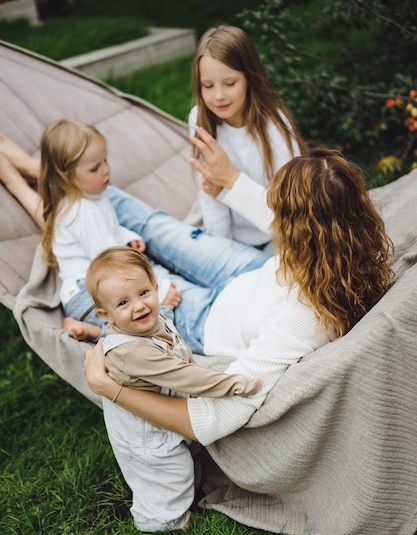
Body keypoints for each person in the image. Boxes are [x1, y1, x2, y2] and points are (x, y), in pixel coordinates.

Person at [85, 148, 394, 447]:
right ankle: (61, 178)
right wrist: (231, 181)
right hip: (247, 270)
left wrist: (110, 389)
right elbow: (306, 216)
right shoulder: (342, 250)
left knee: (116, 275)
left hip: (206, 318)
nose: (272, 220)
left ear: (294, 231)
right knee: (154, 224)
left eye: (276, 212)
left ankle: (59, 209)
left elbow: (210, 421)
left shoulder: (304, 321)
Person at [84, 246, 260, 531]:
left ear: (155, 286)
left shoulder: (155, 321)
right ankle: (163, 522)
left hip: (166, 417)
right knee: (168, 475)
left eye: (143, 293)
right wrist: (232, 384)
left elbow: (182, 354)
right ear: (107, 315)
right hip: (146, 437)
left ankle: (184, 500)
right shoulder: (131, 352)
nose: (139, 306)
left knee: (187, 461)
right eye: (123, 303)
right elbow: (182, 375)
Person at [0, 123, 182, 340]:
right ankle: (95, 331)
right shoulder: (84, 212)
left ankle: (91, 329)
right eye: (95, 168)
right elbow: (112, 264)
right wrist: (159, 291)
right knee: (154, 322)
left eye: (104, 161)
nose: (105, 170)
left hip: (88, 290)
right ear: (68, 177)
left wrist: (127, 237)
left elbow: (110, 228)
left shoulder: (93, 196)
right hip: (86, 297)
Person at [187, 24, 306, 250]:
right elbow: (210, 198)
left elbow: (290, 220)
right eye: (208, 86)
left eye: (230, 84)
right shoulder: (200, 119)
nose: (218, 96)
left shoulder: (275, 127)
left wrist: (230, 180)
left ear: (250, 78)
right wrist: (222, 252)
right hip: (235, 241)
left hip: (281, 239)